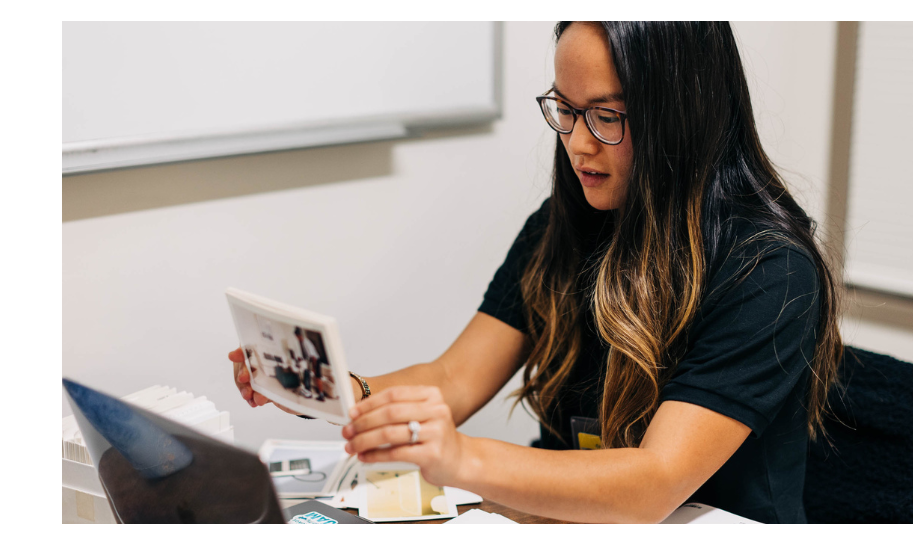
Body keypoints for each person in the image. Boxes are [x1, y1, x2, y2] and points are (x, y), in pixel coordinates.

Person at [228, 21, 842, 524]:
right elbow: (454, 377)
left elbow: (654, 482)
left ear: (683, 112)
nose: (578, 143)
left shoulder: (768, 268)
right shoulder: (566, 222)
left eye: (607, 115)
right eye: (565, 110)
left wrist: (462, 459)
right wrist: (334, 392)